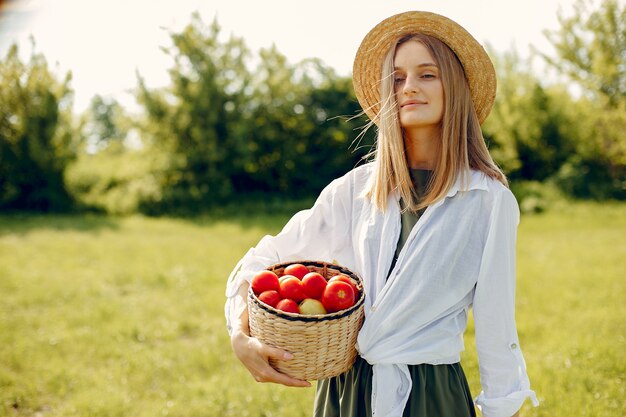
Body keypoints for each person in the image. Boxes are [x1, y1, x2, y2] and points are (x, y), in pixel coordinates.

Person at [225, 10, 538, 417]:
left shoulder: (488, 201)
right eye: (397, 77)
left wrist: (501, 406)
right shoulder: (355, 190)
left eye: (427, 74)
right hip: (345, 392)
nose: (409, 88)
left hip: (431, 396)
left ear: (456, 87)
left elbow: (497, 329)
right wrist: (239, 332)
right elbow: (264, 260)